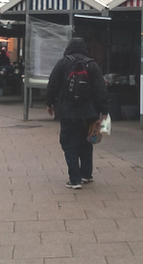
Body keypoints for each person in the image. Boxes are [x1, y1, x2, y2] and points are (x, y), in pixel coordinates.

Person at [46, 37, 110, 189]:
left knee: (69, 143)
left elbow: (52, 84)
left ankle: (74, 179)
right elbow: (100, 89)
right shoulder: (92, 64)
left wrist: (50, 103)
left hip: (67, 112)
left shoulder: (63, 63)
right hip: (89, 112)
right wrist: (104, 110)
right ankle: (86, 174)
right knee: (87, 142)